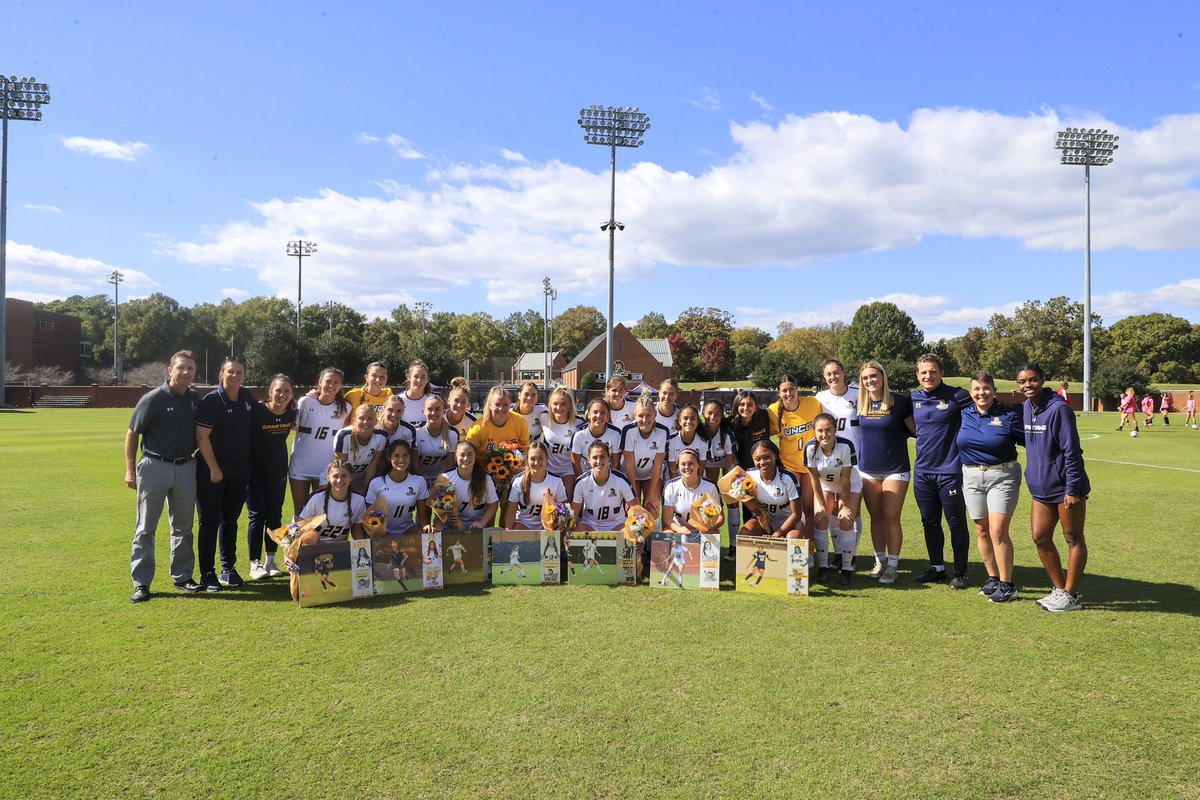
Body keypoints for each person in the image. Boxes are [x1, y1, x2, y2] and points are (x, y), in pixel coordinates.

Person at [126, 350, 202, 602]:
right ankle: (142, 582)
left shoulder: (194, 398)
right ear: (170, 370)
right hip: (154, 466)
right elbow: (132, 433)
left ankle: (182, 576)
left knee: (183, 527)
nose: (185, 372)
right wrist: (129, 469)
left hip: (186, 467)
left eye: (190, 368)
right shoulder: (154, 398)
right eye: (181, 368)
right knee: (146, 528)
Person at [1018, 363, 1091, 612]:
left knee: (1073, 538)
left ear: (1042, 379)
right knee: (1040, 537)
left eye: (1033, 380)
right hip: (1041, 488)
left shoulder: (1059, 409)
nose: (1028, 385)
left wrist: (1072, 489)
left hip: (1065, 488)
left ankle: (1071, 595)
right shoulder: (1027, 407)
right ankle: (1060, 589)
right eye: (1023, 381)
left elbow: (1072, 452)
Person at [957, 371, 1025, 604]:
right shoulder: (964, 413)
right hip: (971, 475)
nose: (981, 392)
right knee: (982, 530)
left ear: (994, 391)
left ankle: (1008, 585)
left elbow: (1033, 440)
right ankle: (993, 578)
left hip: (1003, 475)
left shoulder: (1009, 415)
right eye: (976, 388)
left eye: (986, 388)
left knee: (998, 531)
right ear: (970, 393)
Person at [910, 353, 973, 588]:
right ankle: (937, 567)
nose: (928, 376)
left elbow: (982, 407)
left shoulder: (957, 396)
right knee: (929, 522)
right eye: (923, 372)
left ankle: (960, 572)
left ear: (941, 372)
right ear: (918, 375)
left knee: (956, 523)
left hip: (950, 472)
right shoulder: (913, 398)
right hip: (923, 472)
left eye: (932, 371)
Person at [195, 355, 256, 591]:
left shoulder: (246, 398)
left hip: (239, 472)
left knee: (230, 521)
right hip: (212, 471)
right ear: (221, 374)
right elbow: (202, 437)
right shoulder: (211, 401)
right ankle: (207, 573)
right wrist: (214, 468)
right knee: (209, 521)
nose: (235, 376)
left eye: (239, 372)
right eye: (230, 372)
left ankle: (228, 568)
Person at [856, 361, 915, 585]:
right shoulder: (861, 403)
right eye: (865, 378)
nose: (870, 381)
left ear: (882, 377)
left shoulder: (899, 402)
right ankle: (879, 560)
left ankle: (893, 565)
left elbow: (916, 430)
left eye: (873, 376)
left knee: (891, 516)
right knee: (876, 517)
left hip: (895, 468)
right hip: (868, 469)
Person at [289, 460, 367, 600]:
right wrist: (290, 554)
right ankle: (301, 572)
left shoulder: (359, 500)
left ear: (351, 477)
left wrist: (365, 546)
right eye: (335, 476)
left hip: (338, 548)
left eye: (344, 476)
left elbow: (356, 529)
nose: (339, 480)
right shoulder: (317, 498)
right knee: (312, 535)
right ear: (328, 477)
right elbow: (298, 527)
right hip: (313, 548)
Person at [246, 374, 297, 580]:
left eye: (287, 391)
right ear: (270, 392)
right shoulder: (257, 411)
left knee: (274, 516)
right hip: (254, 472)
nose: (282, 394)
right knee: (257, 516)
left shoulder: (292, 414)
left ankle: (270, 561)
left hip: (277, 472)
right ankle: (254, 563)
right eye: (278, 390)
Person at [804, 413, 862, 586]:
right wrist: (821, 505)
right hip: (826, 486)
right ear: (814, 432)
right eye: (820, 430)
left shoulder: (845, 446)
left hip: (849, 484)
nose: (824, 434)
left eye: (828, 430)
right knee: (820, 519)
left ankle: (847, 568)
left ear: (835, 430)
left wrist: (843, 505)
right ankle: (823, 567)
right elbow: (814, 479)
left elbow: (845, 479)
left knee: (845, 520)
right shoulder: (809, 449)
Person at [768, 374, 823, 544]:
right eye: (784, 390)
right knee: (793, 510)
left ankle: (811, 549)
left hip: (810, 465)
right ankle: (792, 546)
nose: (789, 393)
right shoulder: (773, 410)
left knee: (809, 508)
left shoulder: (813, 404)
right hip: (789, 466)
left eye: (792, 389)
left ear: (797, 388)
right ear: (779, 392)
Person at [289, 367, 349, 515]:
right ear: (320, 382)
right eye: (328, 381)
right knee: (300, 512)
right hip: (300, 465)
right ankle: (296, 539)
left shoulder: (345, 408)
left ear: (340, 385)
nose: (331, 385)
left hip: (325, 468)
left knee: (322, 512)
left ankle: (319, 540)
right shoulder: (306, 402)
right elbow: (293, 426)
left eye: (336, 382)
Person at [727, 390, 771, 543]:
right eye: (742, 404)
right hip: (744, 475)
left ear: (756, 406)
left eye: (750, 404)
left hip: (766, 471)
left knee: (768, 506)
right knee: (749, 510)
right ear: (736, 406)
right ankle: (749, 544)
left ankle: (771, 538)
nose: (746, 408)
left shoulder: (764, 417)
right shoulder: (730, 424)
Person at [365, 440, 431, 535]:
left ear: (410, 457)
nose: (401, 460)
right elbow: (369, 519)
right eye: (396, 456)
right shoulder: (376, 483)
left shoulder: (419, 481)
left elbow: (423, 519)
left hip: (408, 530)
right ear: (389, 458)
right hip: (382, 532)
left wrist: (426, 527)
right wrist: (382, 533)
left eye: (405, 455)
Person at [741, 440, 803, 541]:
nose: (762, 462)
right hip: (765, 521)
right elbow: (754, 508)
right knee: (745, 534)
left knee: (793, 538)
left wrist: (777, 534)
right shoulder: (749, 476)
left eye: (766, 457)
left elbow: (797, 514)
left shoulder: (788, 478)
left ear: (775, 456)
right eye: (757, 459)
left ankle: (802, 555)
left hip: (790, 520)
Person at [621, 394, 669, 519]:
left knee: (652, 508)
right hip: (632, 476)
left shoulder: (663, 432)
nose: (645, 419)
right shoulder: (628, 430)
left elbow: (658, 465)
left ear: (655, 415)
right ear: (635, 415)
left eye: (648, 415)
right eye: (641, 416)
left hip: (650, 475)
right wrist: (633, 495)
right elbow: (629, 465)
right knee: (632, 510)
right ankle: (632, 538)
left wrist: (651, 495)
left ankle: (652, 538)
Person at [572, 440, 634, 533]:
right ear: (589, 459)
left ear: (609, 458)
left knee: (630, 535)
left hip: (616, 524)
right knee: (575, 536)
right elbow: (575, 513)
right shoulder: (581, 482)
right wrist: (568, 532)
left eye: (602, 457)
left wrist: (637, 531)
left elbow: (635, 507)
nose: (598, 461)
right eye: (594, 457)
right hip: (590, 523)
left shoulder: (621, 480)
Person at [503, 442, 567, 529]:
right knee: (515, 536)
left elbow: (563, 509)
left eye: (540, 458)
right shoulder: (518, 481)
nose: (536, 463)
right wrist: (508, 532)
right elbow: (511, 510)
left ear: (547, 458)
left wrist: (556, 526)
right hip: (524, 523)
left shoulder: (556, 481)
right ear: (527, 460)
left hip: (548, 526)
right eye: (532, 459)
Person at [437, 441, 499, 530]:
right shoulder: (444, 478)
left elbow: (493, 504)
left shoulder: (485, 479)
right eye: (462, 455)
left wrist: (482, 523)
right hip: (451, 528)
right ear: (455, 456)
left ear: (475, 456)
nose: (466, 458)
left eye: (470, 454)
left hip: (476, 527)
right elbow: (439, 513)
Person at [662, 448, 724, 534]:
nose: (687, 467)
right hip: (680, 529)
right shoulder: (671, 486)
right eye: (683, 464)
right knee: (667, 533)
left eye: (691, 463)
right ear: (678, 466)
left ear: (698, 465)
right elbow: (668, 519)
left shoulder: (710, 486)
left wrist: (708, 528)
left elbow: (720, 517)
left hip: (703, 530)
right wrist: (679, 529)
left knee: (714, 533)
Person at [333, 404, 386, 495]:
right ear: (354, 421)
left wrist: (365, 493)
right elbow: (342, 469)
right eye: (361, 418)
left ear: (376, 421)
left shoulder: (381, 437)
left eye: (370, 418)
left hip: (362, 480)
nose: (365, 422)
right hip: (338, 479)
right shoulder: (344, 435)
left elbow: (372, 469)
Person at [815, 359, 862, 455]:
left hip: (857, 455)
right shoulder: (820, 397)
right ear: (824, 376)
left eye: (836, 373)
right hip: (832, 457)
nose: (833, 377)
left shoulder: (858, 394)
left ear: (843, 373)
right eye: (828, 374)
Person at [413, 395, 458, 487]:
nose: (433, 413)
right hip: (419, 479)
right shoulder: (416, 432)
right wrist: (421, 483)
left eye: (437, 409)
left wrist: (443, 483)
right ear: (424, 411)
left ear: (443, 411)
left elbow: (450, 463)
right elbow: (414, 463)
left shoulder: (452, 434)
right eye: (429, 409)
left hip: (441, 479)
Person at [541, 387, 578, 498]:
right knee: (548, 502)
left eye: (563, 404)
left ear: (569, 406)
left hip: (568, 469)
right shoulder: (544, 418)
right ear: (550, 405)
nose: (558, 407)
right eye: (555, 404)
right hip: (548, 468)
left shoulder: (578, 423)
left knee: (567, 503)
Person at [571, 398, 622, 477]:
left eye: (603, 413)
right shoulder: (579, 433)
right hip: (584, 475)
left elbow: (616, 464)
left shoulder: (615, 434)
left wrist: (609, 480)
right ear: (588, 414)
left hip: (607, 476)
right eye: (595, 412)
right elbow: (575, 462)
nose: (599, 415)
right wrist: (583, 481)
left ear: (608, 416)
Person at [667, 404, 708, 478]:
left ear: (697, 421)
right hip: (677, 479)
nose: (689, 421)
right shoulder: (671, 440)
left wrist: (695, 486)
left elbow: (700, 469)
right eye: (685, 418)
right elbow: (672, 470)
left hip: (696, 478)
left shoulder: (703, 441)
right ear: (679, 421)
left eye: (692, 418)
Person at [398, 359, 435, 427]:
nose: (419, 380)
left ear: (428, 379)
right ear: (409, 377)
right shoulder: (398, 400)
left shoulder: (434, 400)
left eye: (423, 377)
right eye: (416, 376)